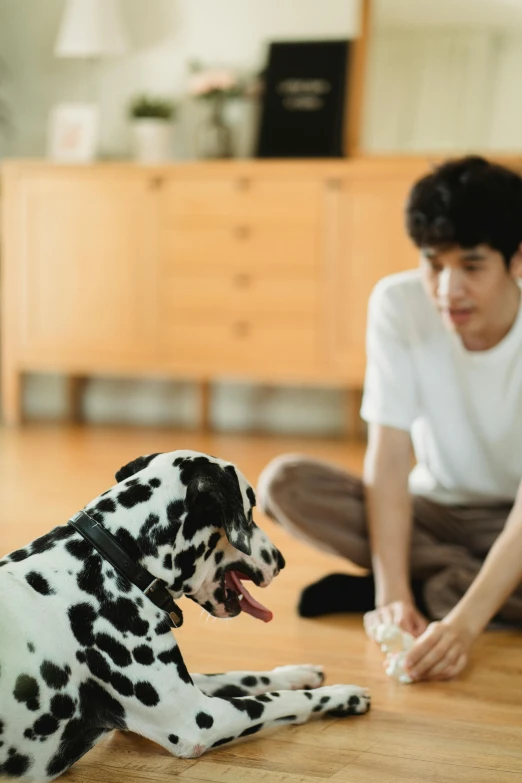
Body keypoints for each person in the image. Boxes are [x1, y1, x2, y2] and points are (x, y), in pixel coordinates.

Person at [257, 156, 522, 682]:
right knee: (285, 485)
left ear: (517, 259)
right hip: (437, 510)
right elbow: (390, 452)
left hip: (512, 515)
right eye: (433, 263)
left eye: (471, 267)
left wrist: (464, 626)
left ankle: (455, 589)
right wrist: (392, 591)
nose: (448, 290)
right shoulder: (397, 304)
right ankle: (443, 583)